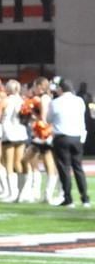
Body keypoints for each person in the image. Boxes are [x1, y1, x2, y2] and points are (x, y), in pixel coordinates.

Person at [49, 78, 90, 208]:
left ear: (60, 89)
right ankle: (85, 198)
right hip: (77, 136)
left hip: (62, 137)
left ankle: (68, 198)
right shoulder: (79, 101)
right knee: (78, 168)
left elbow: (48, 118)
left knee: (64, 168)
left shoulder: (55, 102)